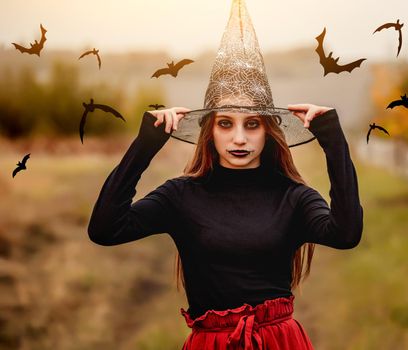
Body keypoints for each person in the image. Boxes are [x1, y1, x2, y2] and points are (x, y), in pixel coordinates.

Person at [87, 102, 363, 349]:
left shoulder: (294, 197)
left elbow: (346, 233)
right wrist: (145, 146)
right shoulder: (180, 195)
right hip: (210, 344)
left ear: (268, 131)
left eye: (252, 124)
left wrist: (333, 140)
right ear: (210, 131)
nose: (239, 139)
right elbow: (105, 229)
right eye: (225, 123)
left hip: (278, 343)